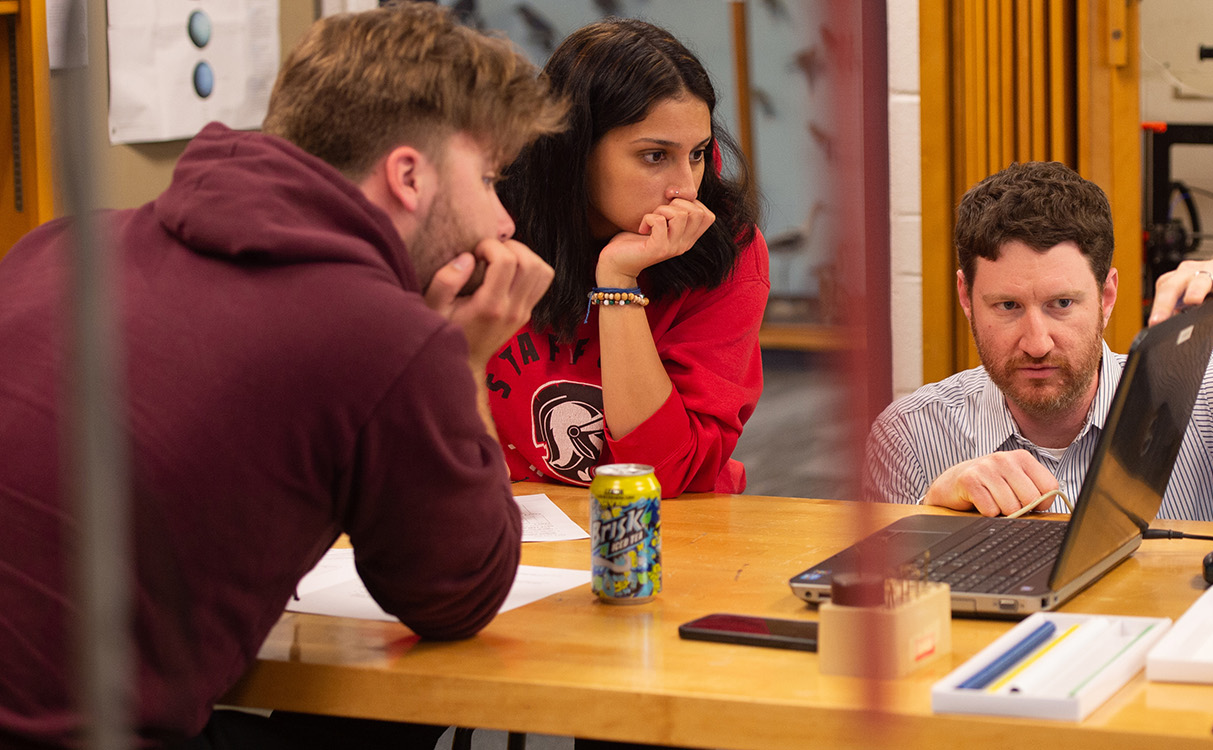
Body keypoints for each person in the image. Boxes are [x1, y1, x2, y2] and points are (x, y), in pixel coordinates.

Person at [0, 4, 566, 748]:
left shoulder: (62, 244)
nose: (505, 223)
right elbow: (459, 595)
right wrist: (463, 361)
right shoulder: (383, 338)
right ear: (408, 176)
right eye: (490, 178)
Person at [864, 161, 1213, 523]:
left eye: (1061, 304)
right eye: (1007, 307)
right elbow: (875, 620)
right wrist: (924, 519)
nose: (1038, 342)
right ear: (965, 295)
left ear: (1107, 294)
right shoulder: (910, 437)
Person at [487, 18, 769, 498]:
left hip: (675, 525)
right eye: (655, 156)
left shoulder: (729, 246)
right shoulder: (490, 219)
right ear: (574, 148)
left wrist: (619, 281)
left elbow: (664, 472)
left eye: (698, 153)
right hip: (521, 521)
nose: (685, 188)